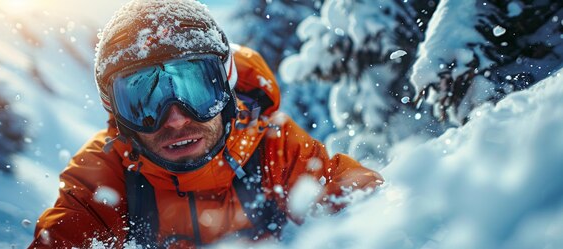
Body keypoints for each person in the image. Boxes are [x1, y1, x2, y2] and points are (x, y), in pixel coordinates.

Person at [29, 0, 383, 248]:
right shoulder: (109, 171)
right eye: (143, 101)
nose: (177, 117)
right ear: (119, 116)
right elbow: (66, 234)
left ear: (227, 88)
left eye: (197, 88)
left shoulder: (268, 142)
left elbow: (362, 205)